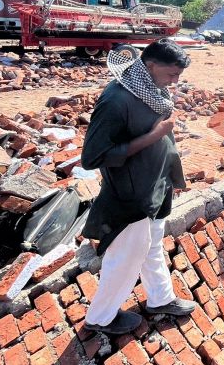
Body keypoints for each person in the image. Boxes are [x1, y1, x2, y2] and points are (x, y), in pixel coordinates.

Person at [82, 39, 195, 335]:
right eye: (172, 74)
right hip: (132, 194)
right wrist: (155, 135)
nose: (175, 81)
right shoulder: (116, 100)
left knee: (152, 246)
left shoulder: (151, 89)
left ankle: (161, 299)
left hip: (156, 186)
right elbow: (92, 157)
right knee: (126, 257)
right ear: (151, 65)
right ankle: (100, 318)